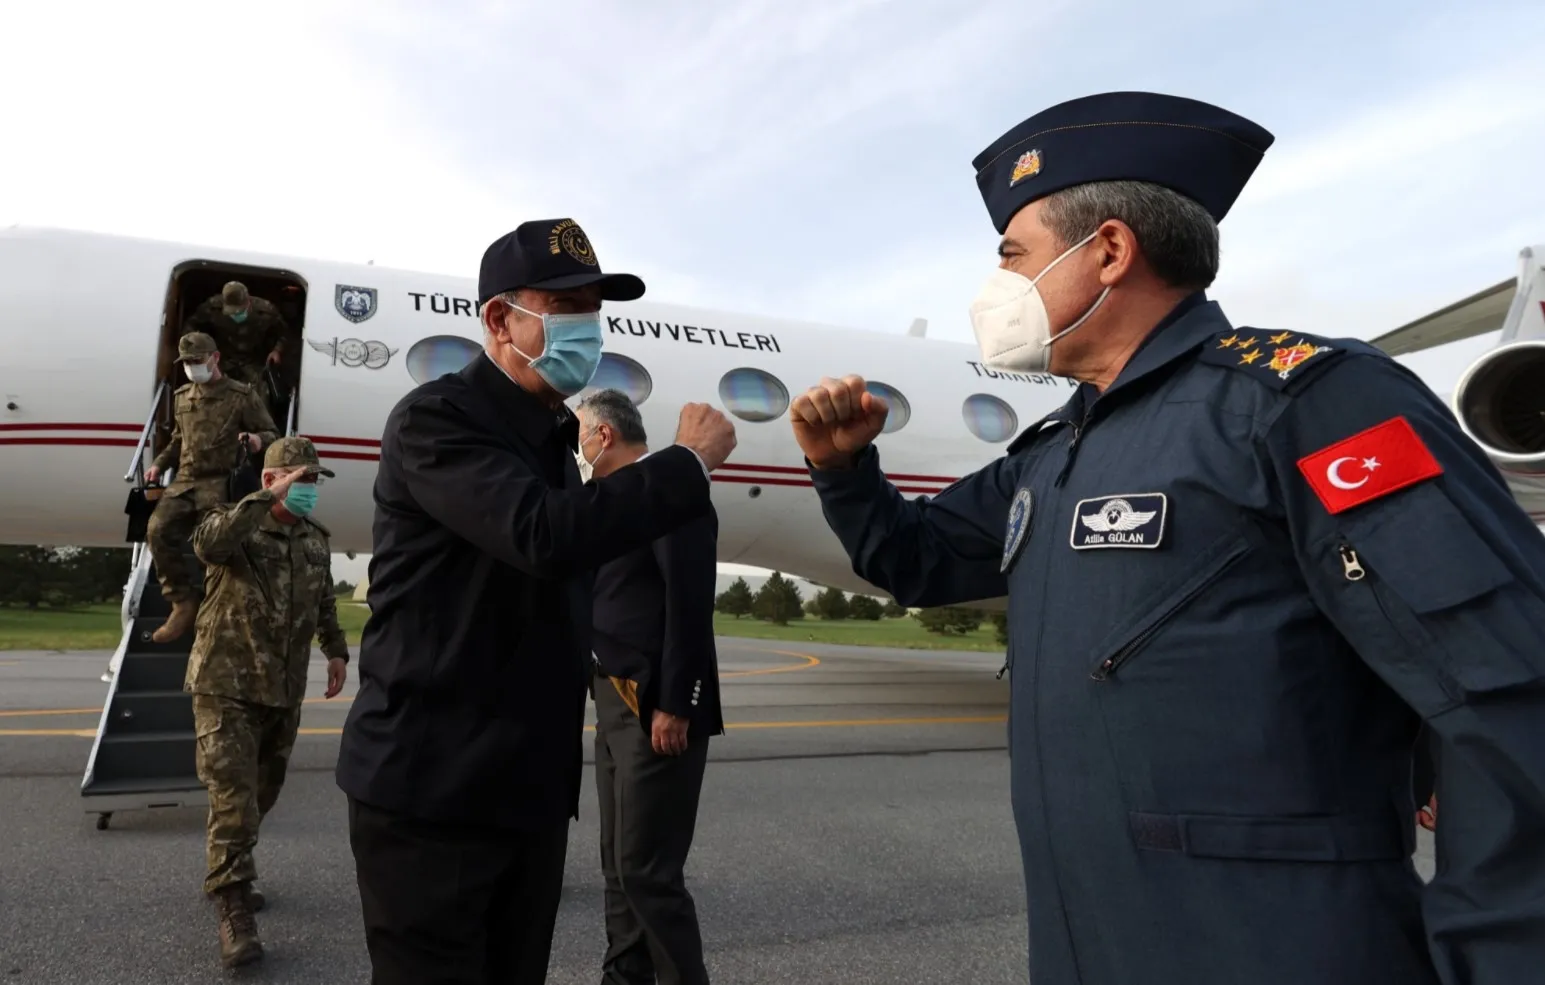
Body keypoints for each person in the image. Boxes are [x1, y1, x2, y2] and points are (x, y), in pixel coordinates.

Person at [792, 90, 1545, 985]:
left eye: (1012, 255)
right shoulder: (1057, 450)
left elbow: (1506, 701)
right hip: (1088, 937)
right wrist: (843, 469)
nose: (995, 287)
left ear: (1107, 250)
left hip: (1275, 946)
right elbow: (911, 561)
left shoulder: (1302, 402)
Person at [335, 218, 738, 985]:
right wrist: (683, 464)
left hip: (524, 790)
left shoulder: (550, 440)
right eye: (564, 306)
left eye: (593, 309)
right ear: (497, 319)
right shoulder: (437, 419)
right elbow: (544, 535)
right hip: (434, 792)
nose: (586, 327)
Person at [576, 387, 723, 985]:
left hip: (654, 705)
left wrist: (675, 703)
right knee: (617, 864)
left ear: (603, 435)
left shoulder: (670, 495)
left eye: (577, 433)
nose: (574, 447)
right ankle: (624, 976)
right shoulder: (614, 503)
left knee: (647, 871)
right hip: (612, 698)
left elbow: (689, 607)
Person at [187, 435, 351, 969]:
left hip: (282, 687)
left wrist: (336, 651)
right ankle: (233, 906)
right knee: (233, 799)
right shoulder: (234, 526)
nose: (309, 491)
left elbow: (323, 597)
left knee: (263, 793)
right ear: (271, 479)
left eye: (313, 482)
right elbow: (207, 546)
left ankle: (232, 867)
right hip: (225, 684)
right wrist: (260, 498)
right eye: (300, 480)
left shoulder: (313, 539)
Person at [144, 331, 277, 642]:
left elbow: (270, 431)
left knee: (216, 548)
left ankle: (215, 615)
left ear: (214, 358)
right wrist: (158, 465)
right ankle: (182, 602)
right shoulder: (182, 397)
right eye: (187, 362)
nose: (192, 366)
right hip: (185, 482)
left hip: (220, 482)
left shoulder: (241, 396)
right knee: (156, 531)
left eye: (197, 360)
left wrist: (258, 440)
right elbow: (178, 441)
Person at [181, 281, 287, 392]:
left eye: (239, 311)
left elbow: (284, 333)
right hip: (222, 358)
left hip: (254, 361)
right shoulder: (213, 307)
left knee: (257, 396)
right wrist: (195, 348)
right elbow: (191, 325)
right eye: (231, 312)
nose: (235, 315)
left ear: (248, 302)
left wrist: (277, 351)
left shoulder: (266, 311)